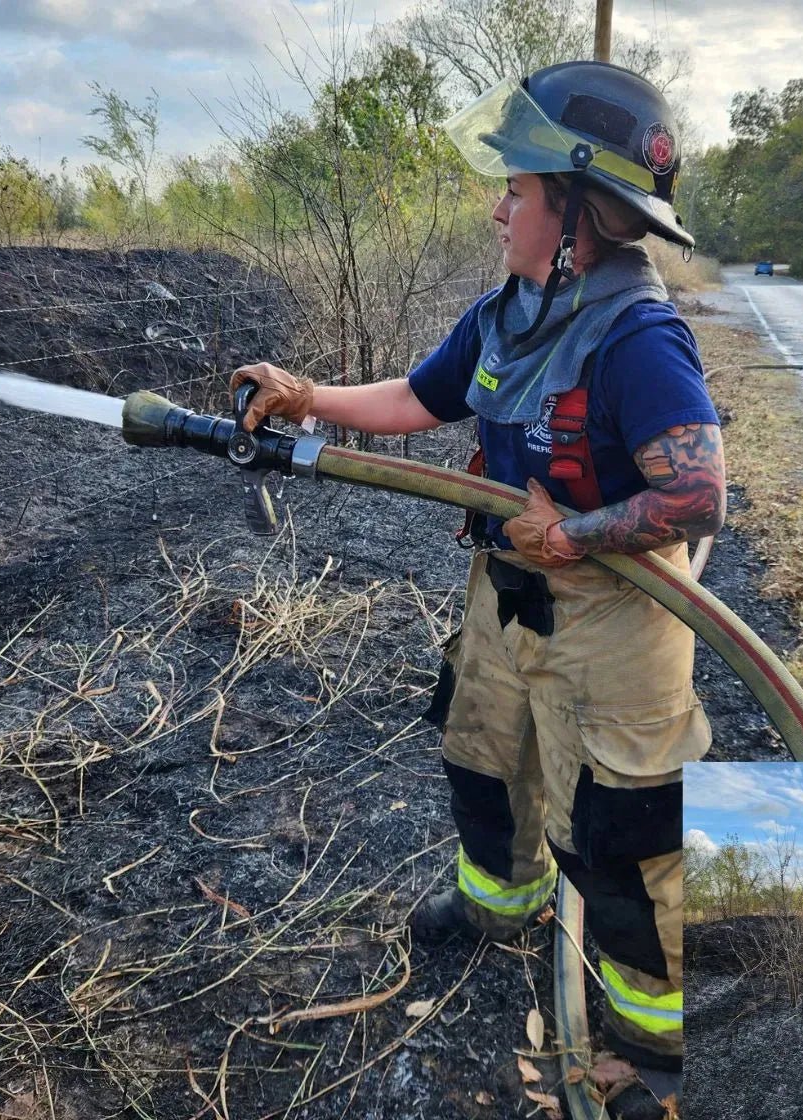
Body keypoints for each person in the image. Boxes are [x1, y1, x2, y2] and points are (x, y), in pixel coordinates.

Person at [232, 60, 725, 1114]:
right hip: (506, 595)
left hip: (616, 619)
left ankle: (653, 1036)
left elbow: (696, 497)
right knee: (482, 759)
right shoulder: (506, 313)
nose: (499, 205)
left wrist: (577, 532)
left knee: (624, 834)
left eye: (519, 188)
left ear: (579, 212)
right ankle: (499, 904)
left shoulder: (639, 338)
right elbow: (419, 396)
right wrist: (307, 394)